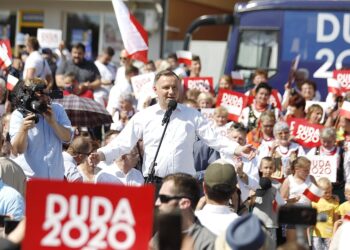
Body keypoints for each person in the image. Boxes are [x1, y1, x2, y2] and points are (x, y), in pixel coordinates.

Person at [89, 70, 253, 181]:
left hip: (184, 184)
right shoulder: (144, 116)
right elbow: (122, 143)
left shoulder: (192, 115)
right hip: (154, 182)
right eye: (166, 87)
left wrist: (238, 149)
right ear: (155, 89)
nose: (171, 91)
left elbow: (214, 139)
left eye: (175, 87)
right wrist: (101, 155)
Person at [9, 78, 73, 180]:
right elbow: (18, 150)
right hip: (31, 181)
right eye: (41, 94)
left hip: (56, 180)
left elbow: (68, 138)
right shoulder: (18, 115)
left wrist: (53, 123)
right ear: (29, 96)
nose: (46, 98)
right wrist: (23, 130)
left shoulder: (57, 109)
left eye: (46, 93)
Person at [153, 173, 216, 250]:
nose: (157, 203)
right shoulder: (160, 236)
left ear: (184, 203)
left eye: (163, 198)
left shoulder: (208, 243)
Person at [195, 160, 239, 236]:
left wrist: (196, 211)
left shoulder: (189, 224)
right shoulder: (243, 227)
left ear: (204, 187)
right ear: (234, 191)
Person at [251, 157, 285, 241]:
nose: (268, 170)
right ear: (260, 168)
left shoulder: (277, 184)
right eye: (266, 167)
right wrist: (253, 195)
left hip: (271, 221)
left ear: (274, 169)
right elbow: (251, 203)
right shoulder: (255, 182)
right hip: (257, 220)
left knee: (270, 245)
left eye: (271, 168)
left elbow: (281, 203)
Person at [311, 177, 339, 250]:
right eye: (326, 192)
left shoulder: (335, 202)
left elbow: (336, 220)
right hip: (316, 233)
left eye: (330, 191)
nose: (328, 194)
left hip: (329, 233)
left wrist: (334, 234)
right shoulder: (314, 201)